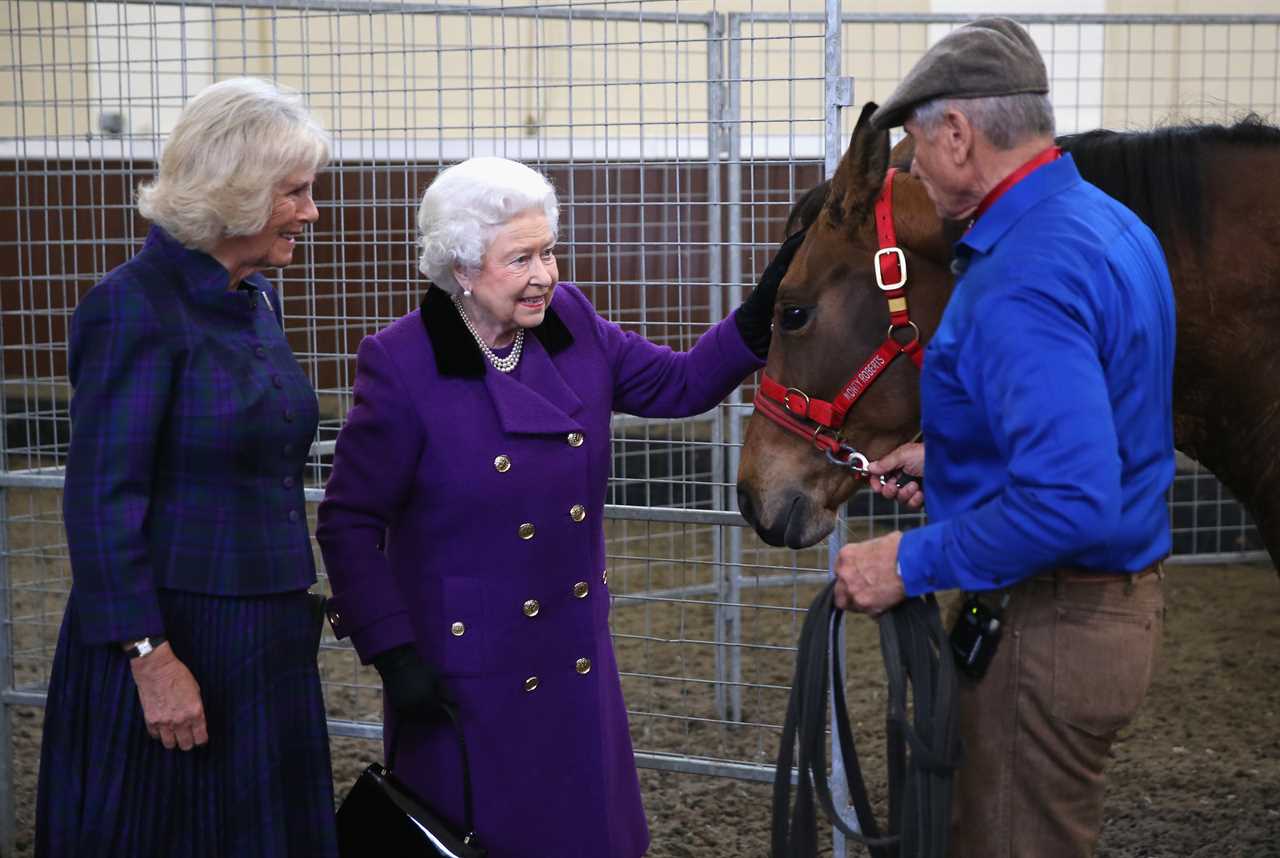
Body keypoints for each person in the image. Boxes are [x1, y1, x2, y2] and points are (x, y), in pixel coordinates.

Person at [316, 156, 798, 858]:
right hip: (464, 675)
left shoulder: (570, 322)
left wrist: (762, 313)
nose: (545, 273)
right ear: (461, 269)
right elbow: (348, 521)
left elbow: (682, 384)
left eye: (548, 251)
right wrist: (393, 655)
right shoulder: (401, 364)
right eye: (521, 258)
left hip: (571, 652)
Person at [831, 18, 1175, 858]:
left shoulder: (1023, 275)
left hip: (1049, 626)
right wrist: (954, 462)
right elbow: (1104, 426)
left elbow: (1069, 499)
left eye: (914, 142)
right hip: (1094, 613)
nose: (909, 165)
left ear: (959, 133)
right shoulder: (1104, 225)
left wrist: (904, 561)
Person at [36, 78, 338, 858]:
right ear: (236, 194)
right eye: (295, 192)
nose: (311, 211)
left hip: (263, 631)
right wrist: (150, 659)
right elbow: (103, 500)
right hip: (176, 639)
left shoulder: (256, 297)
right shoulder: (134, 305)